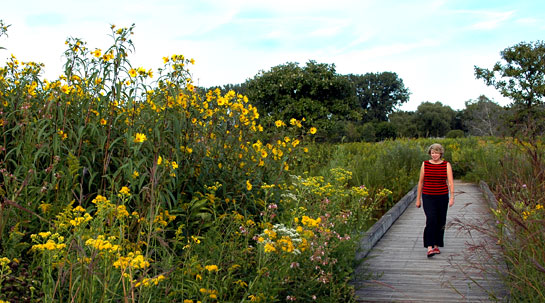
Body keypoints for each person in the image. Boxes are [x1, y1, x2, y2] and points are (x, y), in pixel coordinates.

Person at [415, 143, 454, 257]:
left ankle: (437, 245)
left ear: (440, 153)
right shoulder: (425, 164)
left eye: (436, 153)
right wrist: (418, 199)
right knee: (431, 219)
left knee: (441, 221)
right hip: (428, 196)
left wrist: (452, 197)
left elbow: (450, 182)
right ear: (430, 154)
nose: (434, 155)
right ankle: (429, 247)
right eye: (432, 153)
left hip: (442, 196)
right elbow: (421, 182)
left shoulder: (446, 165)